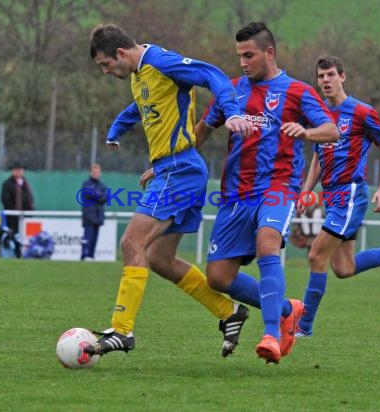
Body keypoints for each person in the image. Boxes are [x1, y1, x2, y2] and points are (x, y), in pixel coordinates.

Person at [84, 24, 253, 358]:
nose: (107, 72)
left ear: (120, 53)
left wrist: (232, 112)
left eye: (106, 65)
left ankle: (121, 330)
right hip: (172, 169)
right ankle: (229, 312)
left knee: (132, 243)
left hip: (179, 169)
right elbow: (140, 106)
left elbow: (211, 74)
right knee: (160, 259)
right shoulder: (138, 75)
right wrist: (117, 129)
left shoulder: (161, 61)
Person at [195, 22, 339, 364]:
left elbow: (331, 130)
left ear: (269, 53)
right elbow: (202, 130)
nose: (243, 62)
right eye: (239, 56)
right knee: (218, 277)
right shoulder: (230, 92)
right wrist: (167, 162)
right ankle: (289, 309)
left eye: (249, 55)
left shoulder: (297, 91)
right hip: (235, 196)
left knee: (267, 243)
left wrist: (305, 132)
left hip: (278, 187)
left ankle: (272, 334)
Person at [294, 55, 380, 338]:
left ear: (342, 77)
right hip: (332, 196)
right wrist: (306, 190)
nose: (325, 80)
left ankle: (303, 327)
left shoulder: (361, 112)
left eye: (331, 75)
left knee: (315, 256)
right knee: (344, 269)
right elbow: (319, 157)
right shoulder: (319, 115)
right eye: (321, 76)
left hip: (350, 194)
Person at [80, 164, 107, 261]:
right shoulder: (86, 183)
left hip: (98, 216)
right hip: (89, 216)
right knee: (87, 237)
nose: (96, 174)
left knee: (95, 238)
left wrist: (96, 194)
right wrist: (98, 194)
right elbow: (89, 193)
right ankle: (84, 255)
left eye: (98, 172)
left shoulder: (102, 185)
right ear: (90, 172)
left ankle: (91, 256)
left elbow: (105, 198)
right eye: (94, 172)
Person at [1, 164, 35, 234]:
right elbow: (5, 199)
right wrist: (14, 211)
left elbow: (29, 197)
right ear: (12, 171)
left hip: (26, 215)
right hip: (13, 217)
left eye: (20, 170)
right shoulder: (7, 183)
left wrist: (30, 209)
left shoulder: (26, 183)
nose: (18, 172)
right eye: (16, 170)